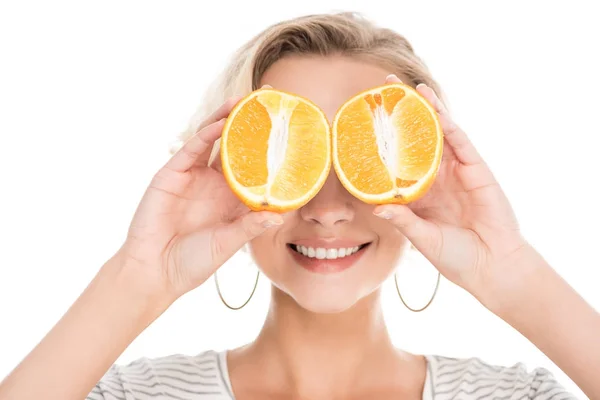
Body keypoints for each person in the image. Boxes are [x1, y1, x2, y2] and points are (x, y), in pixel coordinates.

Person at [0, 11, 597, 400]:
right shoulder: (130, 395)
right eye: (294, 159)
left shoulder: (517, 397)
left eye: (364, 156)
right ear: (231, 167)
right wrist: (139, 277)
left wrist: (513, 272)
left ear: (423, 170)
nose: (327, 207)